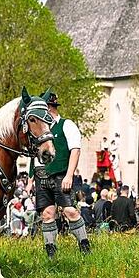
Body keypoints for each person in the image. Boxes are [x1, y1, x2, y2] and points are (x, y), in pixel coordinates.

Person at [26, 90, 90, 259]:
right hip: (41, 176)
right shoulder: (38, 129)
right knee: (47, 214)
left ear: (49, 108)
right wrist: (31, 179)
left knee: (70, 211)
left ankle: (85, 247)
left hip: (60, 175)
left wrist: (69, 175)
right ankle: (51, 253)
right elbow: (35, 157)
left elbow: (75, 150)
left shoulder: (66, 125)